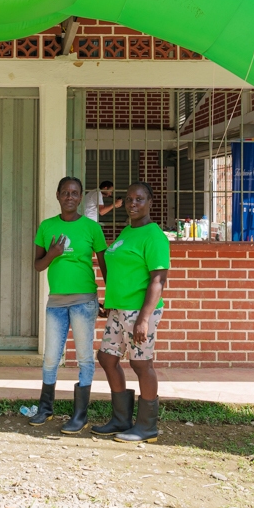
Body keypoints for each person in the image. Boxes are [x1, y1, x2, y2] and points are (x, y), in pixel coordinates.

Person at [30, 176, 108, 434]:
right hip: (56, 302)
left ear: (81, 196)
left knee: (85, 358)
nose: (70, 197)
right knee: (51, 356)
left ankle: (79, 414)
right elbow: (38, 265)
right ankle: (45, 408)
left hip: (84, 301)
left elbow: (105, 265)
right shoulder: (47, 226)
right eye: (65, 193)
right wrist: (52, 254)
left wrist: (111, 297)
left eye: (75, 193)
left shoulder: (92, 228)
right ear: (58, 195)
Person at [93, 182, 169, 442]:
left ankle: (147, 426)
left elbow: (158, 279)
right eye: (128, 199)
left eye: (139, 199)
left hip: (139, 312)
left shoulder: (153, 235)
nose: (132, 203)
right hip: (119, 309)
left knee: (141, 363)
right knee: (107, 358)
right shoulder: (128, 230)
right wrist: (111, 301)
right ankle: (121, 419)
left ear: (150, 203)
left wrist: (144, 319)